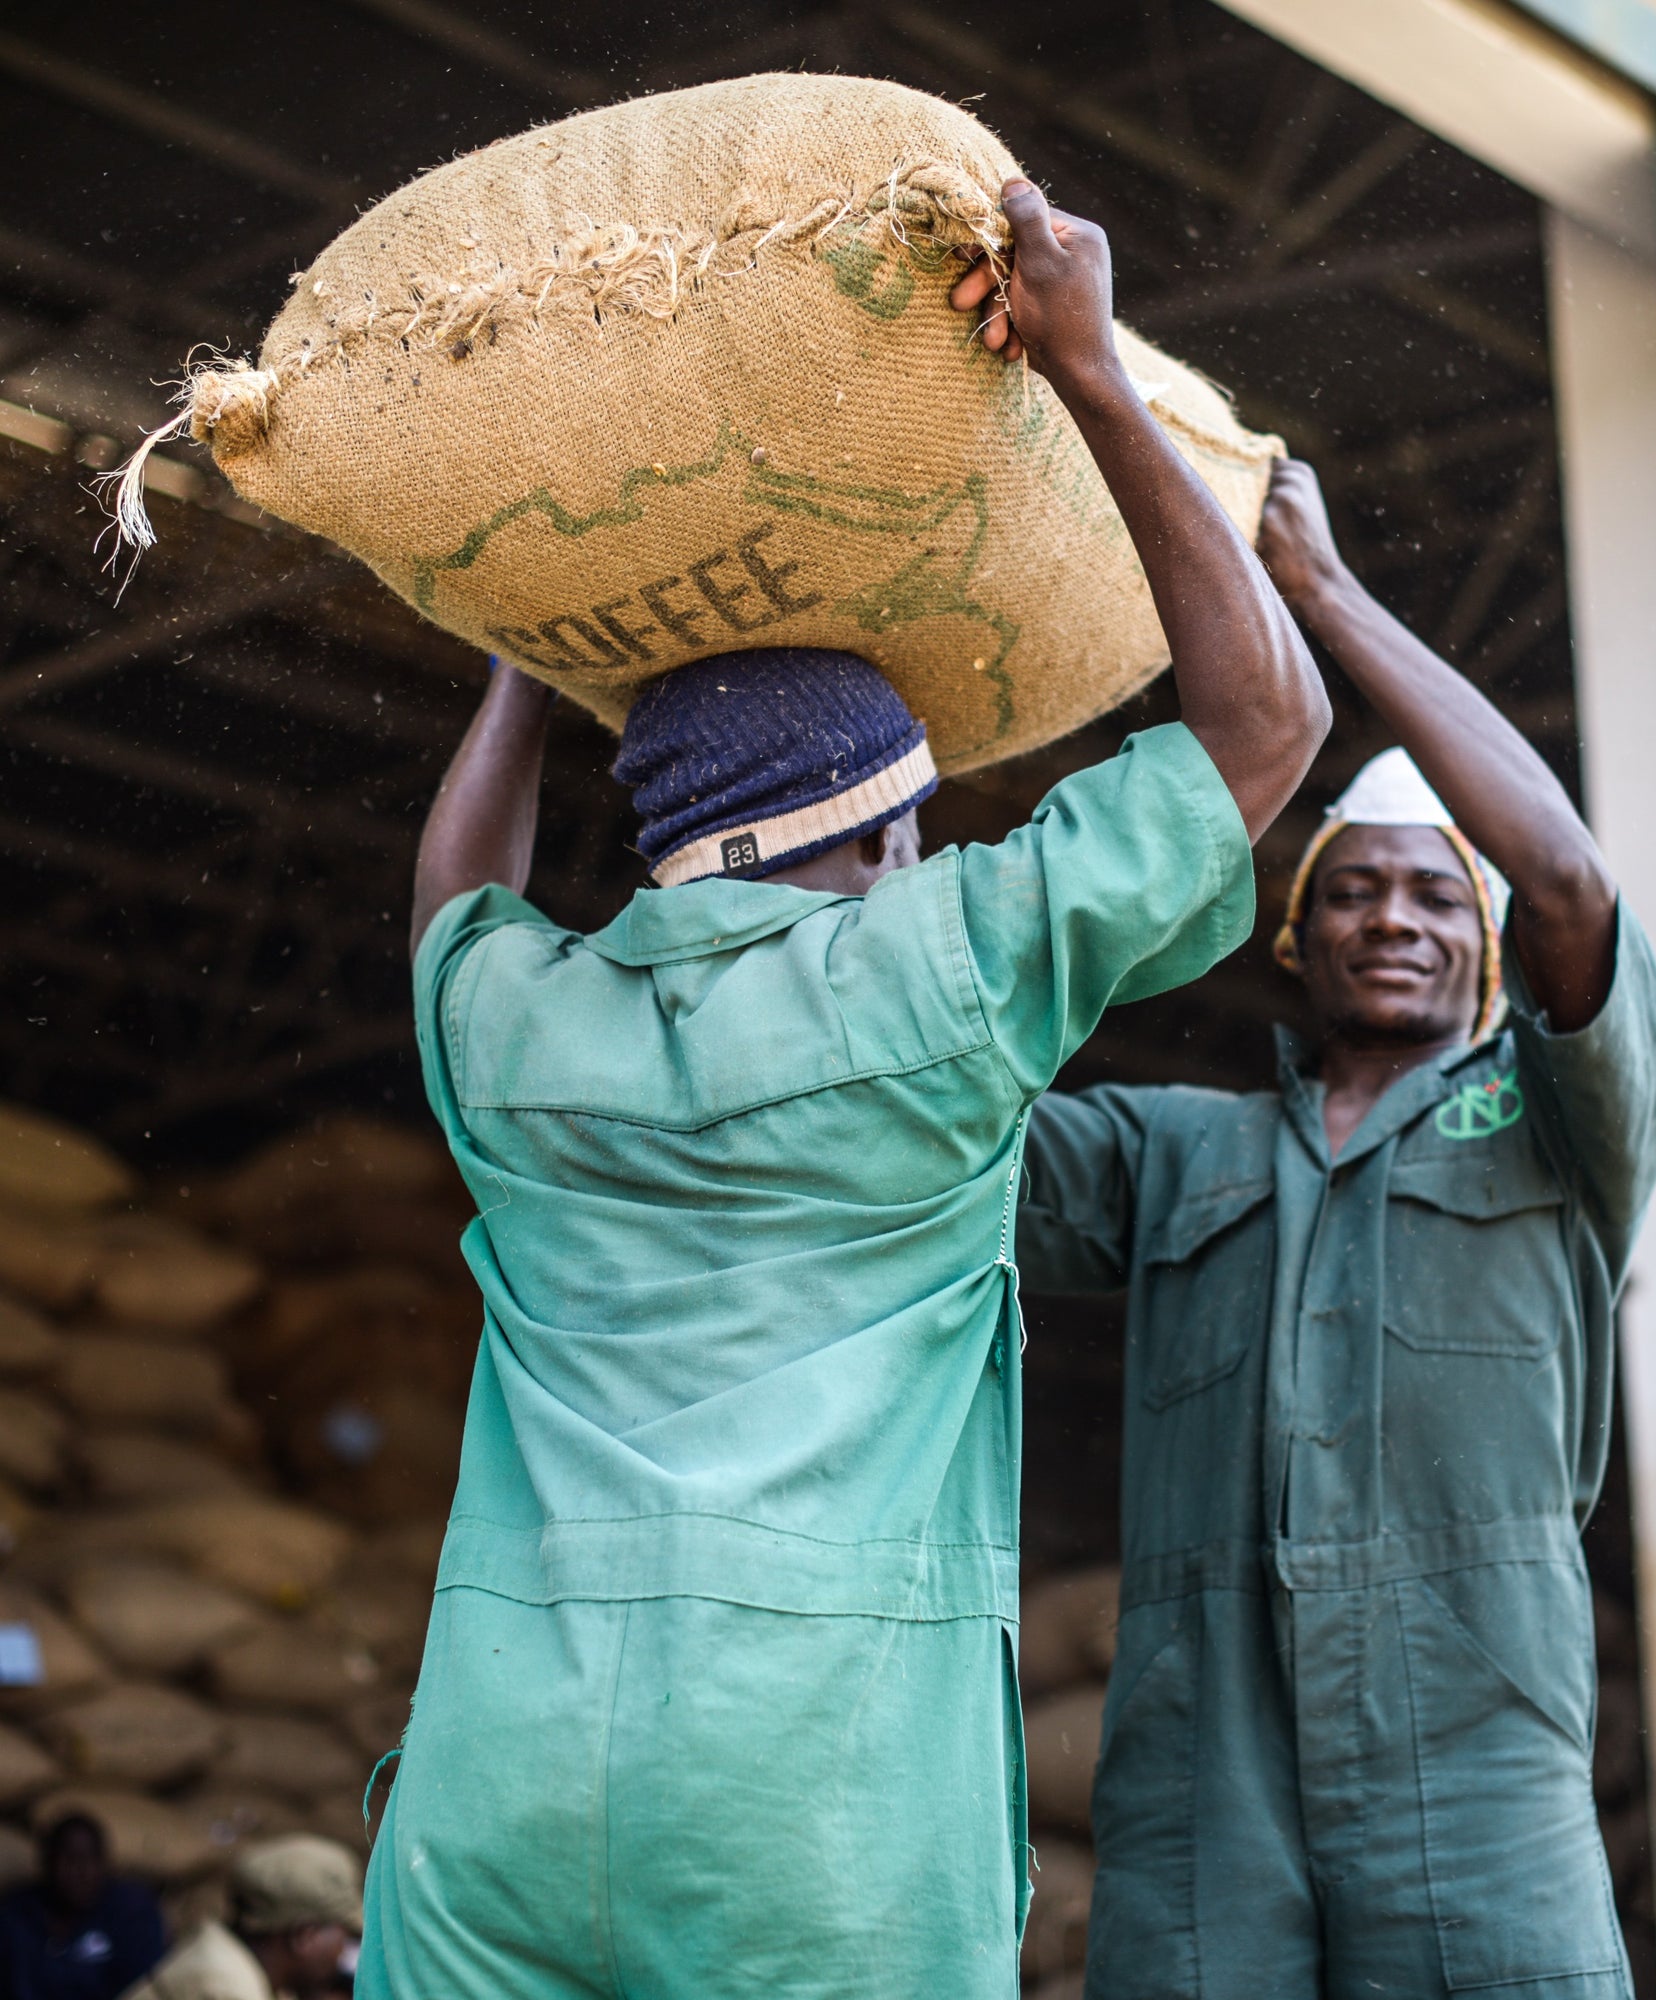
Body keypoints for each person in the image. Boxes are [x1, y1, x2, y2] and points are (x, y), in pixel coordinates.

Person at [360, 179, 1328, 2000]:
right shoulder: (946, 971)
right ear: (881, 829)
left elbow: (456, 906)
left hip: (499, 1803)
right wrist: (1096, 376)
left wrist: (524, 644)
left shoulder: (517, 1036)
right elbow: (1267, 724)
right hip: (813, 1823)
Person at [1017, 458, 1656, 1999]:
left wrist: (1323, 599)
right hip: (1201, 1784)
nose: (1395, 918)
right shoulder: (1174, 1152)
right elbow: (935, 1130)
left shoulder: (1557, 1125)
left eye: (1440, 900)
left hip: (1478, 1760)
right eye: (1358, 893)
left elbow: (1572, 884)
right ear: (1293, 933)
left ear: (1491, 952)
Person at [118, 1835, 360, 2000]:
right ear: (304, 1936)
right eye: (345, 1937)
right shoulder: (224, 1988)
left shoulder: (225, 1958)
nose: (342, 1954)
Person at [0, 1815, 163, 2000]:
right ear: (47, 1863)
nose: (80, 1872)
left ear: (105, 1864)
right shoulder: (18, 1918)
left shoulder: (130, 1913)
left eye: (89, 1859)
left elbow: (144, 1986)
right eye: (69, 1859)